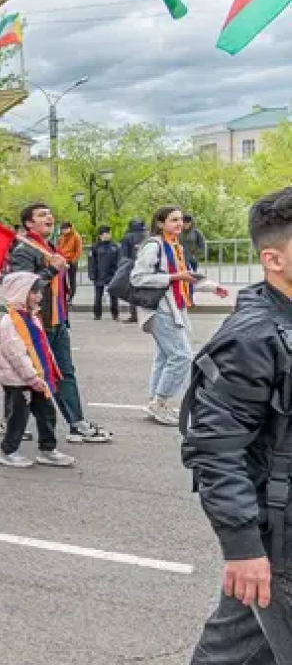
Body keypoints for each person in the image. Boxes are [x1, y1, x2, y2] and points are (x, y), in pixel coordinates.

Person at [182, 187, 292, 662]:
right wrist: (244, 547)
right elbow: (215, 448)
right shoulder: (251, 339)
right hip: (280, 542)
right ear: (273, 259)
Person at [9, 203, 112, 444]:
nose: (49, 217)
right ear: (28, 224)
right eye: (41, 214)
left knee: (64, 372)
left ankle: (77, 424)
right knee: (26, 374)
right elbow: (23, 289)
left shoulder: (50, 247)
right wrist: (52, 271)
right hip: (37, 324)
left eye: (49, 213)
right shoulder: (25, 251)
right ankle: (12, 422)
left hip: (58, 323)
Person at [131, 206, 228, 426]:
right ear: (160, 223)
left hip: (174, 307)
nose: (179, 223)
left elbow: (186, 277)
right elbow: (138, 278)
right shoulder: (154, 246)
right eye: (173, 220)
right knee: (181, 356)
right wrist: (174, 276)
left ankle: (156, 403)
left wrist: (212, 287)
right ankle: (160, 403)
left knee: (165, 356)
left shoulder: (176, 246)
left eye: (180, 220)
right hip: (161, 308)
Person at [0, 272, 77, 469]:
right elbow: (17, 356)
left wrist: (48, 372)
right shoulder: (10, 323)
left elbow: (42, 348)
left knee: (47, 413)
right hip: (20, 381)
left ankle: (47, 449)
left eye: (40, 292)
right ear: (20, 293)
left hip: (37, 379)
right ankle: (7, 451)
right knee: (18, 417)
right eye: (34, 292)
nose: (39, 296)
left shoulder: (31, 318)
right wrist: (32, 377)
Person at [87, 225, 121, 321]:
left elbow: (119, 261)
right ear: (101, 235)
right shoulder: (95, 247)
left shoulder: (115, 247)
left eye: (109, 233)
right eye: (106, 233)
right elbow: (91, 262)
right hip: (99, 275)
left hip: (112, 275)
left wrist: (118, 273)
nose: (108, 235)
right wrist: (92, 274)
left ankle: (115, 314)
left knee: (114, 296)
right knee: (98, 296)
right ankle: (97, 314)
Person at [120, 219, 147, 323]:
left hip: (132, 268)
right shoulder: (147, 236)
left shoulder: (127, 237)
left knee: (133, 292)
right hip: (146, 267)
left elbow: (123, 255)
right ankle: (144, 314)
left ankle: (134, 315)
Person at [56, 221, 83, 300]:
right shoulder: (61, 237)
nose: (64, 231)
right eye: (62, 229)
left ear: (70, 228)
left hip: (72, 261)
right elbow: (58, 248)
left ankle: (71, 296)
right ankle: (63, 294)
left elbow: (79, 250)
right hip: (62, 261)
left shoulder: (76, 236)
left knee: (72, 279)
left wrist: (74, 261)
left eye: (65, 229)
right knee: (62, 279)